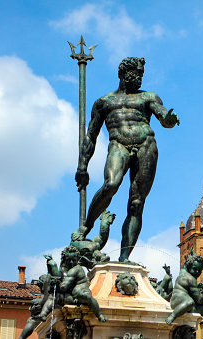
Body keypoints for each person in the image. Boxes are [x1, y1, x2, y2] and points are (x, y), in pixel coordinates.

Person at [75, 57, 179, 262]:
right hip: (118, 144)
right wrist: (82, 166)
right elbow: (91, 136)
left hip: (146, 146)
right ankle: (87, 224)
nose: (140, 78)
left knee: (136, 203)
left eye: (142, 74)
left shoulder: (149, 97)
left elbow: (163, 115)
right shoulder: (104, 102)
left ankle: (124, 257)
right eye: (137, 73)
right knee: (111, 184)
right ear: (123, 74)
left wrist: (168, 120)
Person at [166, 252, 203, 337]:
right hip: (180, 304)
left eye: (199, 270)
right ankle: (172, 316)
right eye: (195, 269)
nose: (197, 272)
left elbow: (184, 265)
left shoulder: (183, 272)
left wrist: (190, 257)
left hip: (179, 303)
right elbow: (199, 300)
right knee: (190, 302)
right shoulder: (191, 280)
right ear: (190, 267)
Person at [59, 246, 108, 322]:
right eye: (68, 260)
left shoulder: (76, 269)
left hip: (81, 291)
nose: (71, 262)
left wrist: (57, 283)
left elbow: (64, 287)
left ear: (78, 259)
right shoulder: (65, 268)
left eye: (73, 260)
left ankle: (99, 314)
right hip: (73, 293)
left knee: (87, 297)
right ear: (64, 260)